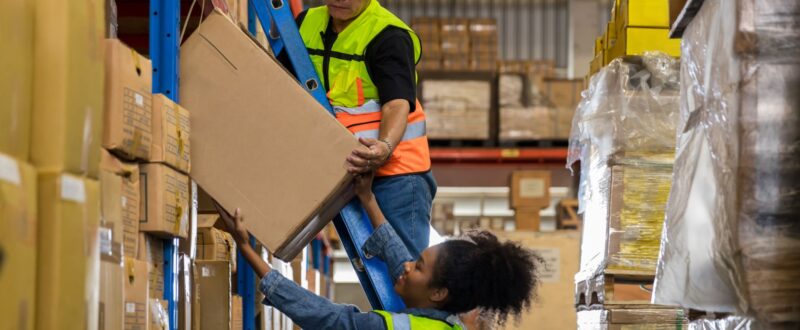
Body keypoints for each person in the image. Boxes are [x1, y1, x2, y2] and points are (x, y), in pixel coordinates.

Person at [217, 172, 543, 329]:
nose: (408, 267)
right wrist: (367, 198)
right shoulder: (442, 321)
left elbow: (328, 318)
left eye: (419, 267)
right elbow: (397, 256)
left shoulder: (402, 328)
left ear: (439, 293)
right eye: (417, 260)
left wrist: (247, 249)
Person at [287, 0, 435, 258]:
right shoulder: (305, 23)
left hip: (396, 173)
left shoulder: (388, 34)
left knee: (408, 272)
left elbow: (397, 103)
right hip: (346, 168)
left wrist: (385, 146)